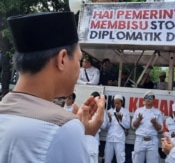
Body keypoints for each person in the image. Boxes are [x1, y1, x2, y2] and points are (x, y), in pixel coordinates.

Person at [0, 12, 105, 163]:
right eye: (78, 60)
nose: (79, 68)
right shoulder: (63, 127)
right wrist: (87, 136)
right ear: (62, 59)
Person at [132, 90, 163, 163]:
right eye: (147, 97)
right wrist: (139, 120)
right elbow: (133, 126)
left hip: (152, 141)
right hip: (140, 140)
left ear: (153, 100)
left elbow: (161, 129)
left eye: (151, 97)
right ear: (144, 99)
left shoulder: (157, 112)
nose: (148, 99)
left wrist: (155, 123)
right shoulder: (138, 111)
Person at [104, 94, 130, 163]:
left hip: (120, 139)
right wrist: (109, 119)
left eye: (118, 103)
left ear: (122, 103)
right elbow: (106, 126)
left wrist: (121, 120)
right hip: (110, 138)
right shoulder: (110, 111)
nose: (116, 105)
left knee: (120, 159)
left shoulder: (126, 112)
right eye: (115, 103)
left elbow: (127, 126)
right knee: (107, 159)